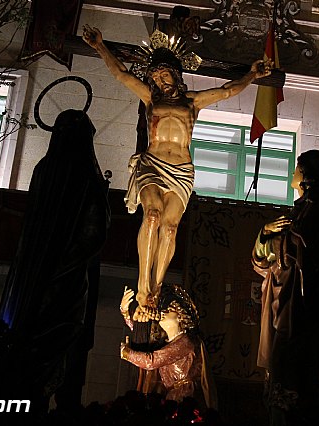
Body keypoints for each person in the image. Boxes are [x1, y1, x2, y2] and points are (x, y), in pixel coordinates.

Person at [83, 24, 271, 307]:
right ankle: (142, 283)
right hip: (153, 166)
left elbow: (227, 91)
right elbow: (121, 75)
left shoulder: (192, 102)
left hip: (181, 171)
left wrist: (252, 75)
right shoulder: (150, 99)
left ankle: (154, 289)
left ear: (176, 74)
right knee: (153, 217)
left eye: (164, 74)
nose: (160, 81)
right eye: (156, 77)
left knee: (170, 230)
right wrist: (100, 46)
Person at [0, 109, 110, 412]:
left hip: (37, 276)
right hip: (63, 279)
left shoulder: (45, 170)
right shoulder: (86, 175)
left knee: (44, 343)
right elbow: (96, 232)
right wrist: (69, 266)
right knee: (62, 345)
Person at [252, 150, 319, 425]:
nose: (293, 173)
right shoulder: (301, 208)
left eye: (297, 169)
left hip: (299, 303)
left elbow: (303, 251)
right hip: (284, 295)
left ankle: (286, 409)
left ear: (305, 175)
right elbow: (261, 260)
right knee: (279, 365)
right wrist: (266, 233)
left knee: (287, 364)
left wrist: (273, 242)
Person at [118, 284, 216, 408]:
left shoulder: (185, 342)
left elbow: (152, 360)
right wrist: (125, 312)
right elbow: (142, 336)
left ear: (180, 317)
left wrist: (127, 353)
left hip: (183, 398)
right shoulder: (167, 341)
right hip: (172, 395)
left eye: (169, 311)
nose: (163, 312)